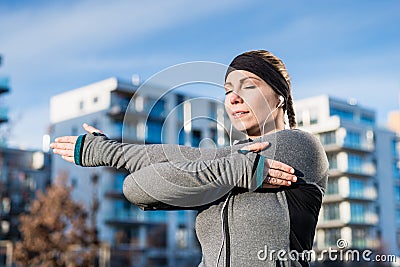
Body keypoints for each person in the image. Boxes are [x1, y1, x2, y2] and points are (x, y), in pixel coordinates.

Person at [51, 50, 328, 267]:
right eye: (228, 90)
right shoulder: (228, 167)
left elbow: (199, 157)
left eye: (248, 87)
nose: (232, 99)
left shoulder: (300, 146)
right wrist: (231, 168)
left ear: (279, 97)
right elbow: (136, 188)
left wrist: (111, 153)